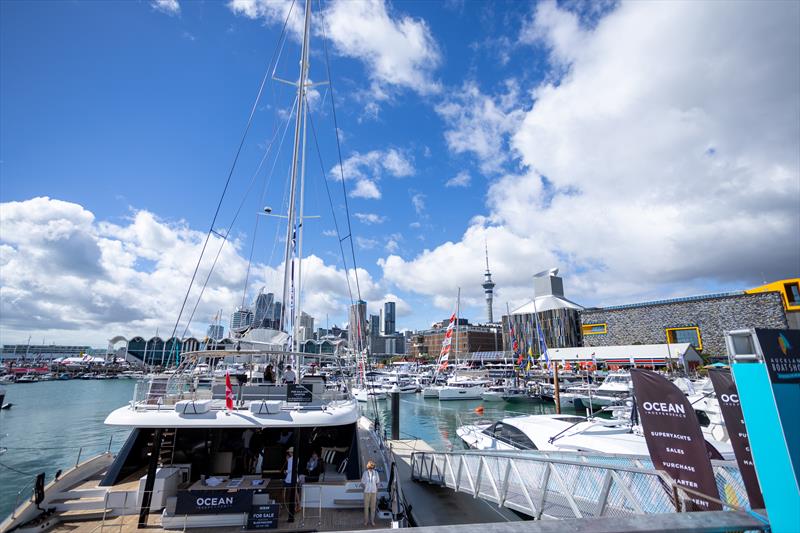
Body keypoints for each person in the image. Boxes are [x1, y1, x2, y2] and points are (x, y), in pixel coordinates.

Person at [360, 459, 379, 526]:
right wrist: (365, 488)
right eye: (370, 467)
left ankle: (372, 521)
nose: (371, 469)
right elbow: (362, 483)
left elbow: (377, 483)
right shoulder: (365, 473)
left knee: (373, 508)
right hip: (367, 492)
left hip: (374, 492)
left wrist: (377, 491)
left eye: (372, 467)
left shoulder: (376, 473)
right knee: (366, 507)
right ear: (368, 467)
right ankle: (366, 521)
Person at [283, 447, 297, 522]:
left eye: (289, 452)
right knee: (295, 492)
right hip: (294, 477)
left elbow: (290, 469)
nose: (289, 453)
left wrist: (286, 471)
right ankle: (298, 505)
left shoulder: (291, 459)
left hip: (290, 478)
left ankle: (294, 506)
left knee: (291, 492)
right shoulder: (296, 458)